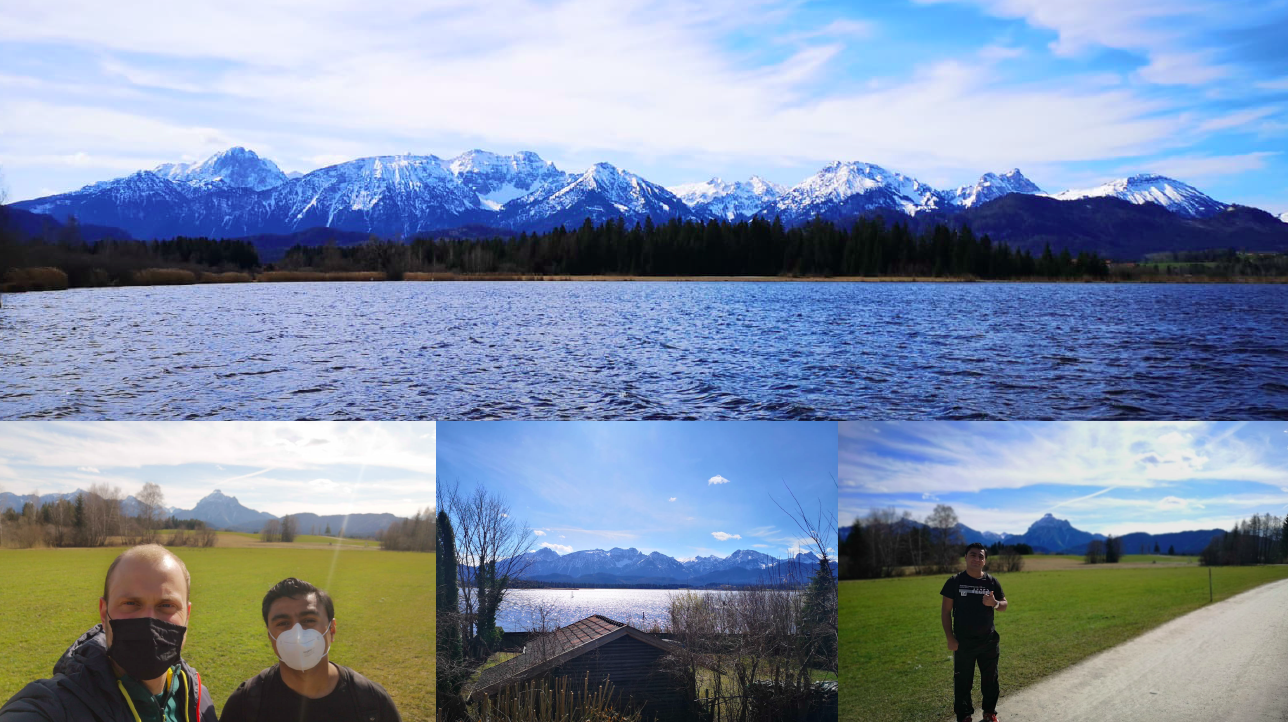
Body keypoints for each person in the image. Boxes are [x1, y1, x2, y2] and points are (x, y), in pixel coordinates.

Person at [0, 544, 217, 722]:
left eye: (166, 605)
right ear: (104, 613)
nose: (149, 620)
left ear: (187, 615)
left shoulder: (199, 701)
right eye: (131, 603)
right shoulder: (57, 706)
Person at [218, 578, 400, 722]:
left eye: (309, 620)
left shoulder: (372, 703)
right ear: (270, 636)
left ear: (332, 629)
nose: (297, 633)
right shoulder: (245, 704)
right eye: (283, 623)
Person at [941, 542, 1008, 722]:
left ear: (984, 560)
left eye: (981, 556)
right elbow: (945, 611)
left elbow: (1004, 605)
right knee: (963, 682)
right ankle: (964, 716)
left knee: (990, 680)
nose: (976, 559)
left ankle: (989, 713)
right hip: (963, 643)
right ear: (965, 557)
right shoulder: (954, 582)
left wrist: (994, 604)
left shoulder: (991, 582)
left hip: (989, 642)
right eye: (973, 555)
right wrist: (950, 638)